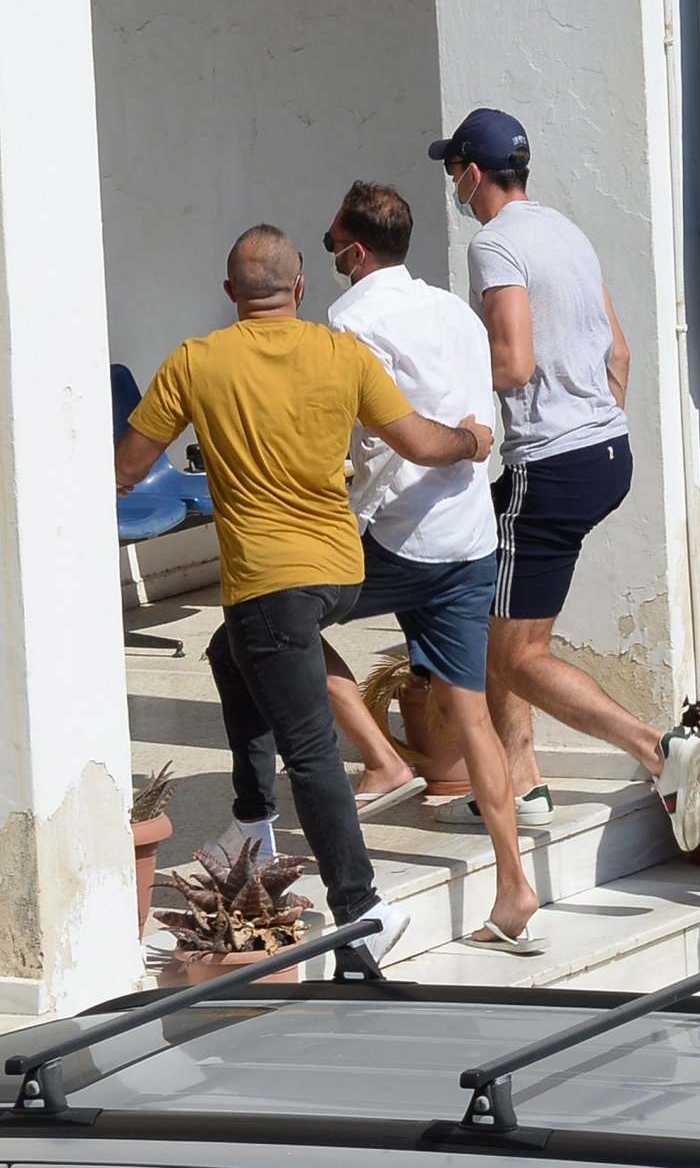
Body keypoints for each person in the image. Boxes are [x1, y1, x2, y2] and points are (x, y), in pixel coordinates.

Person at [114, 224, 492, 965]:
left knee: (312, 750)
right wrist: (474, 441)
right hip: (339, 570)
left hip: (271, 579)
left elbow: (126, 468)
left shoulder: (197, 360)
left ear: (230, 295)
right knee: (231, 651)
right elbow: (419, 440)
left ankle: (363, 909)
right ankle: (252, 819)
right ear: (298, 289)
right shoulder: (340, 351)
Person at [428, 108, 700, 853]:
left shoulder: (494, 244)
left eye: (453, 170)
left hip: (550, 465)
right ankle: (522, 777)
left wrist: (436, 387)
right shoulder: (565, 230)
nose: (454, 185)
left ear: (473, 172)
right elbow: (618, 352)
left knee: (518, 653)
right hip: (605, 454)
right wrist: (588, 423)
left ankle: (656, 750)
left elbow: (512, 362)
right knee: (488, 601)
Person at [309, 181, 546, 953]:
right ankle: (514, 883)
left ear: (355, 248)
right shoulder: (452, 308)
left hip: (397, 530)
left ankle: (382, 760)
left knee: (275, 621)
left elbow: (368, 429)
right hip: (469, 529)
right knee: (470, 712)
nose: (332, 255)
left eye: (332, 242)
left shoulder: (349, 319)